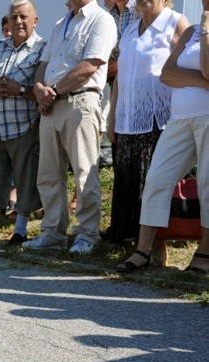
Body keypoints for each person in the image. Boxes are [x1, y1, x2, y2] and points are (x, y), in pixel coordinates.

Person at [116, 1, 209, 274]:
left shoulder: (200, 30)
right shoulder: (190, 31)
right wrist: (202, 82)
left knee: (206, 185)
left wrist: (206, 30)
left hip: (207, 118)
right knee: (157, 178)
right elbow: (167, 74)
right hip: (179, 119)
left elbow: (207, 68)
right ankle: (143, 250)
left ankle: (205, 251)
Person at [23, 0, 116, 254]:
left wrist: (52, 91)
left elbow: (90, 66)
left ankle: (87, 233)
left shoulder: (101, 19)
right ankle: (53, 232)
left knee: (85, 172)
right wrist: (40, 89)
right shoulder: (60, 23)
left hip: (81, 101)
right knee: (49, 174)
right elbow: (43, 64)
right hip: (52, 105)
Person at [106, 0, 187, 254]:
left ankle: (158, 247)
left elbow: (187, 66)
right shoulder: (130, 28)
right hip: (128, 118)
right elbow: (120, 74)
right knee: (128, 183)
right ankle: (133, 243)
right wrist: (112, 115)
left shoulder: (175, 22)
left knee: (152, 185)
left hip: (158, 120)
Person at [0, 0, 46, 246]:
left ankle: (21, 231)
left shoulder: (42, 48)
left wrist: (19, 89)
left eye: (24, 17)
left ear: (35, 21)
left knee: (25, 180)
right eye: (13, 17)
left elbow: (40, 90)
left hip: (24, 125)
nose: (18, 21)